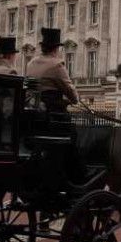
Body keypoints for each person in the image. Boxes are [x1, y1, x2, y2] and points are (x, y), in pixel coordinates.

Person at [25, 28, 86, 183]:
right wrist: (74, 100)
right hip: (53, 116)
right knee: (73, 137)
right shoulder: (56, 65)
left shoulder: (31, 63)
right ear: (56, 48)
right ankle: (77, 176)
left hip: (34, 115)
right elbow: (70, 90)